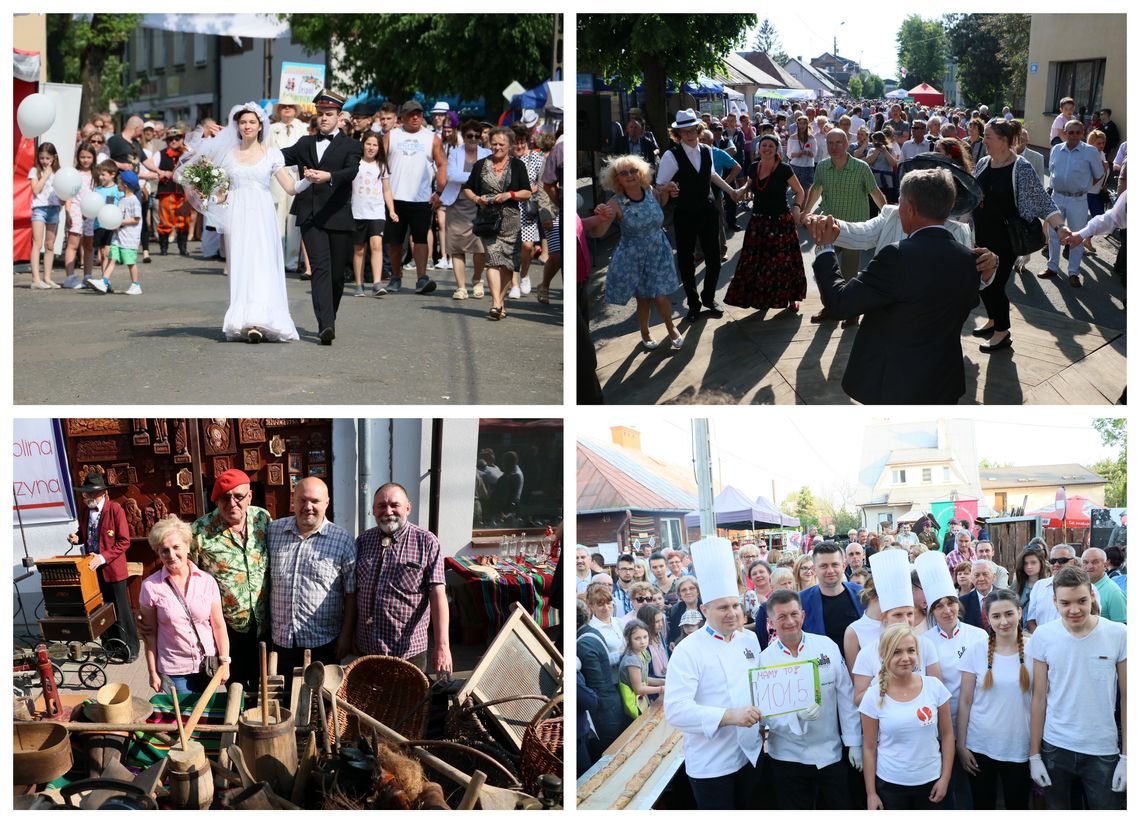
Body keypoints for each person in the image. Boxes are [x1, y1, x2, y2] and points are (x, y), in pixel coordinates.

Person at [809, 168, 984, 404]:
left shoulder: (897, 256)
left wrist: (824, 249)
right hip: (943, 380)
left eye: (899, 202)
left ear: (910, 208)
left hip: (895, 382)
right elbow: (970, 300)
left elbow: (840, 303)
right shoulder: (969, 259)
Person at [184, 104, 303, 343]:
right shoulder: (228, 155)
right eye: (243, 122)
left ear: (261, 126)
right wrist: (208, 195)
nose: (247, 126)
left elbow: (290, 188)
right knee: (242, 265)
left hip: (262, 214)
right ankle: (245, 319)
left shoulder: (271, 154)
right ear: (237, 126)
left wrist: (311, 180)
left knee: (263, 263)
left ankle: (261, 320)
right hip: (238, 214)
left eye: (252, 122)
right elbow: (221, 192)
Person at [664, 537, 763, 809]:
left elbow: (760, 689)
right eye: (723, 607)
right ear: (704, 609)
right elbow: (675, 711)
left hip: (750, 754)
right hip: (711, 765)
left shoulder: (749, 641)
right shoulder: (688, 651)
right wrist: (729, 716)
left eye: (735, 605)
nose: (732, 613)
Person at [1029, 566, 1127, 809]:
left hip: (1102, 748)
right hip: (1055, 746)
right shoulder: (1043, 635)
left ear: (1092, 595)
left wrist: (1127, 756)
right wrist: (1034, 755)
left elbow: (1128, 697)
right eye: (1065, 603)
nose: (1074, 610)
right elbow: (1039, 697)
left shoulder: (1118, 633)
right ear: (1054, 601)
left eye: (1082, 601)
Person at [270, 90, 362, 344]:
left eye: (329, 114)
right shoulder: (304, 144)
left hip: (339, 215)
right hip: (310, 215)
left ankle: (329, 314)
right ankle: (326, 325)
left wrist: (328, 176)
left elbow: (351, 171)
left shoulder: (352, 145)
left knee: (336, 275)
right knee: (320, 268)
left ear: (339, 117)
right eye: (320, 114)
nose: (323, 118)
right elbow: (277, 157)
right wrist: (246, 140)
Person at [760, 588, 862, 809]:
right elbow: (764, 715)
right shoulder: (764, 661)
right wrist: (794, 717)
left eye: (794, 614)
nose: (790, 621)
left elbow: (845, 696)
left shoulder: (826, 646)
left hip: (830, 752)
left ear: (803, 615)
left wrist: (854, 742)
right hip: (788, 756)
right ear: (771, 622)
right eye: (782, 617)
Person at [971, 119, 1066, 351]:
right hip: (982, 235)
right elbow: (974, 194)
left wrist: (1060, 228)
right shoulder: (984, 162)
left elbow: (1042, 200)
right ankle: (993, 320)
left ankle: (1002, 332)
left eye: (988, 137)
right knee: (982, 281)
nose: (984, 141)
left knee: (995, 285)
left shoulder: (1020, 168)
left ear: (1003, 141)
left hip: (1006, 240)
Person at [654, 108, 749, 322]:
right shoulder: (672, 155)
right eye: (684, 132)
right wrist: (667, 187)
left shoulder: (707, 150)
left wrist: (731, 191)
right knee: (686, 261)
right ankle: (694, 303)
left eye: (692, 130)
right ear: (678, 134)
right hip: (685, 212)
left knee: (714, 257)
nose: (689, 135)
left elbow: (712, 174)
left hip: (708, 209)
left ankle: (708, 298)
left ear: (698, 129)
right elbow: (659, 186)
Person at [267, 477, 355, 695]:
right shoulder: (272, 532)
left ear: (327, 502)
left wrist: (346, 636)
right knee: (285, 701)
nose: (308, 507)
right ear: (293, 502)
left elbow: (351, 593)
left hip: (323, 643)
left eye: (315, 501)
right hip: (281, 641)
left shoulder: (343, 540)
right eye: (302, 500)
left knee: (322, 704)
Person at [354, 482, 451, 678]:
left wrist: (442, 646)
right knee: (367, 705)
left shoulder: (426, 542)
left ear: (408, 507)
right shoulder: (363, 541)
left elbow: (438, 594)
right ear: (373, 510)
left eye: (394, 505)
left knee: (410, 706)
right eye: (381, 506)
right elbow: (353, 591)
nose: (388, 511)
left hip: (408, 652)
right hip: (367, 647)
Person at [591, 153, 684, 350]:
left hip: (659, 250)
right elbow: (599, 233)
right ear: (617, 179)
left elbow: (660, 207)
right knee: (644, 299)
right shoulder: (614, 203)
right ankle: (645, 332)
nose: (630, 175)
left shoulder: (649, 190)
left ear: (641, 172)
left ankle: (671, 327)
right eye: (624, 173)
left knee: (660, 295)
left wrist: (666, 190)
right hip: (635, 257)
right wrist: (599, 216)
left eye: (634, 171)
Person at [189, 469, 269, 692]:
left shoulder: (263, 519)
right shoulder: (199, 531)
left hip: (265, 624)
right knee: (237, 689)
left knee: (266, 684)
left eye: (239, 496)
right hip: (227, 628)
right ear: (216, 499)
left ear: (250, 496)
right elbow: (185, 576)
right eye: (225, 497)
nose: (232, 503)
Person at [859, 623, 955, 809]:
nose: (905, 658)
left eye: (911, 650)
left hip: (932, 782)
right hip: (890, 786)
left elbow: (948, 736)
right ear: (883, 656)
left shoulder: (934, 687)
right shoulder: (872, 695)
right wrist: (871, 794)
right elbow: (869, 748)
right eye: (896, 652)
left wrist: (945, 778)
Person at [956, 589, 1034, 809]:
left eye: (1009, 614)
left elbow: (1040, 702)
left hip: (1020, 746)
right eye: (996, 616)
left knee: (1017, 806)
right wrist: (962, 746)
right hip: (980, 745)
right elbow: (965, 701)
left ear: (1019, 612)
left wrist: (1037, 749)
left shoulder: (1035, 650)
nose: (1003, 622)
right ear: (987, 618)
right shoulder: (976, 651)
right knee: (983, 805)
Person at [803, 128, 887, 323]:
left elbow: (875, 193)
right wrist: (806, 212)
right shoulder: (823, 167)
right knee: (822, 269)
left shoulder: (861, 167)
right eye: (830, 143)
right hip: (828, 228)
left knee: (849, 274)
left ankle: (852, 312)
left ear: (847, 144)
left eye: (838, 142)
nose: (834, 147)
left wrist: (889, 214)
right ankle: (830, 308)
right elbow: (816, 190)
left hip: (853, 230)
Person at [139, 515, 229, 695]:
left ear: (187, 546)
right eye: (164, 550)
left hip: (207, 665)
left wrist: (224, 662)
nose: (171, 556)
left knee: (208, 717)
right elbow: (150, 635)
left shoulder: (207, 581)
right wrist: (152, 672)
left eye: (176, 547)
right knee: (185, 719)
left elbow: (218, 626)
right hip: (174, 670)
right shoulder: (150, 587)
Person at [723, 134, 807, 314]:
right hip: (758, 222)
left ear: (777, 150)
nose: (767, 148)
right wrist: (740, 191)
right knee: (758, 262)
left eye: (771, 146)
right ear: (758, 149)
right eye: (764, 145)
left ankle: (792, 297)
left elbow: (799, 191)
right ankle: (762, 298)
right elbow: (749, 185)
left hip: (780, 222)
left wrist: (797, 208)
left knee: (785, 262)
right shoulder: (754, 167)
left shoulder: (784, 169)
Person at [66, 472, 140, 662]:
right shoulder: (85, 512)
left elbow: (124, 542)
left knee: (120, 611)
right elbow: (87, 534)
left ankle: (130, 649)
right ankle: (110, 648)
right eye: (86, 494)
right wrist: (77, 538)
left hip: (113, 571)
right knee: (101, 612)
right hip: (92, 571)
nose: (88, 498)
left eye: (91, 494)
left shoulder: (115, 510)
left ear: (102, 493)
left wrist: (103, 557)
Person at [460, 126, 531, 320]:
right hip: (488, 219)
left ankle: (500, 302)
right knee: (492, 259)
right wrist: (477, 200)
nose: (497, 147)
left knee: (508, 264)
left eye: (501, 144)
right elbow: (467, 188)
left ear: (509, 146)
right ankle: (495, 304)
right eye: (494, 144)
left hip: (511, 219)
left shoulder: (517, 166)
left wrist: (511, 194)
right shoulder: (481, 165)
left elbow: (527, 192)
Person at [384, 100, 448, 296]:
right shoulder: (391, 136)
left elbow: (442, 165)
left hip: (421, 198)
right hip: (395, 198)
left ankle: (422, 278)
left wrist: (439, 192)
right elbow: (379, 162)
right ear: (402, 116)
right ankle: (396, 276)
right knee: (395, 241)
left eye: (418, 114)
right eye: (411, 114)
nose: (415, 117)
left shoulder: (432, 138)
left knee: (420, 239)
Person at [1043, 119, 1105, 286]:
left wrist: (1084, 187)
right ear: (1065, 132)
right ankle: (1052, 267)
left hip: (1078, 199)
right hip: (1057, 197)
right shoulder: (1056, 149)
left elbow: (1099, 173)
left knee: (1077, 236)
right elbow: (1052, 170)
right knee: (1054, 234)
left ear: (1082, 133)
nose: (1074, 135)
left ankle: (1073, 272)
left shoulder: (1090, 151)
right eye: (1070, 132)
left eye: (1078, 132)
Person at [440, 119, 490, 299]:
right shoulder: (455, 153)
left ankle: (477, 279)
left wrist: (471, 177)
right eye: (470, 135)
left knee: (480, 248)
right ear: (463, 135)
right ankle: (460, 287)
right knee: (456, 247)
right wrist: (477, 175)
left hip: (479, 205)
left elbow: (490, 176)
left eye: (477, 136)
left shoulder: (487, 153)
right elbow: (452, 175)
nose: (473, 139)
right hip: (457, 204)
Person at [577, 597, 628, 762]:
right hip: (611, 702)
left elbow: (597, 684)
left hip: (604, 712)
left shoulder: (583, 644)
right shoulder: (592, 632)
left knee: (609, 759)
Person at [349, 132, 393, 297]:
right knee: (359, 249)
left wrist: (392, 210)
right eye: (368, 144)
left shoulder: (381, 165)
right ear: (363, 144)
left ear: (379, 147)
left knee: (377, 245)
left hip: (377, 212)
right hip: (357, 212)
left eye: (375, 145)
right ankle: (359, 284)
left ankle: (376, 282)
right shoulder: (355, 163)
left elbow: (387, 190)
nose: (371, 148)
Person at [266, 101, 306, 273]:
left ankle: (292, 260)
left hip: (296, 176)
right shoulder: (271, 128)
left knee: (294, 220)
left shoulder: (302, 127)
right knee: (277, 218)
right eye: (283, 106)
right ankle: (277, 259)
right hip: (276, 179)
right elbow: (266, 152)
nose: (287, 109)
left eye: (290, 106)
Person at [92, 170, 143, 295]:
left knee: (130, 262)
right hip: (118, 236)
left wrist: (120, 221)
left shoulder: (134, 201)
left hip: (129, 238)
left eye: (118, 182)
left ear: (125, 185)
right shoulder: (121, 199)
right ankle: (104, 281)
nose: (116, 184)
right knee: (112, 258)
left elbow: (136, 219)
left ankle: (136, 285)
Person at [27, 141, 62, 289]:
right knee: (37, 242)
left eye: (48, 158)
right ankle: (36, 279)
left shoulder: (59, 173)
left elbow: (62, 192)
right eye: (42, 158)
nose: (45, 161)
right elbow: (36, 190)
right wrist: (45, 175)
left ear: (54, 158)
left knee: (49, 245)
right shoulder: (34, 171)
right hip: (39, 209)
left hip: (54, 209)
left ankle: (47, 278)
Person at [619, 618, 664, 718]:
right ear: (627, 638)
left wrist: (663, 681)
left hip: (641, 699)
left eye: (645, 637)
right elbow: (638, 689)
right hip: (634, 704)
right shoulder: (632, 660)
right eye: (637, 638)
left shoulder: (642, 653)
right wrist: (661, 689)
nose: (643, 642)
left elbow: (643, 679)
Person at [1080, 547, 1128, 623]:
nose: (1089, 566)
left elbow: (1122, 628)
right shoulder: (1078, 587)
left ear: (1105, 565)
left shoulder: (1114, 592)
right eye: (1085, 562)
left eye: (1095, 562)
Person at [1014, 544, 1050, 628]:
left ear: (1041, 563)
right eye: (1026, 563)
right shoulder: (1017, 584)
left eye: (1033, 563)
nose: (1029, 567)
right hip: (1020, 631)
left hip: (1042, 629)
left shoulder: (1048, 585)